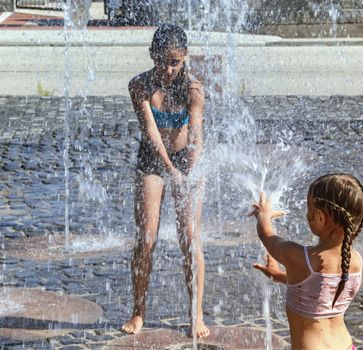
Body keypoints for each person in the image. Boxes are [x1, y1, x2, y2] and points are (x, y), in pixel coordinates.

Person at [121, 23, 209, 338]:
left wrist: (188, 170)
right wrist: (171, 172)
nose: (168, 68)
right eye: (161, 61)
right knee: (146, 238)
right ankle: (138, 310)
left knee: (190, 238)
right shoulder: (140, 86)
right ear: (151, 56)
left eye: (174, 61)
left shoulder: (194, 89)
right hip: (152, 161)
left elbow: (197, 134)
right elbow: (152, 135)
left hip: (187, 160)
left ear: (184, 57)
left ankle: (196, 312)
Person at [250, 174, 363, 350]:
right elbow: (320, 291)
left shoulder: (298, 256)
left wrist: (264, 215)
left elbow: (267, 236)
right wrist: (280, 276)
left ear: (320, 217)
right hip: (346, 345)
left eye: (309, 209)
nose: (307, 214)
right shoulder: (355, 261)